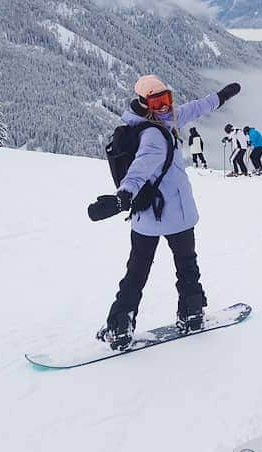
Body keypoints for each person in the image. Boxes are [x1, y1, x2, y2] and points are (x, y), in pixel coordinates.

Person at [96, 75, 241, 350]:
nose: (164, 106)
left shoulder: (164, 120)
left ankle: (120, 325)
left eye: (167, 99)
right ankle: (192, 312)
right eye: (157, 101)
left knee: (137, 271)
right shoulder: (153, 134)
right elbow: (139, 169)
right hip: (177, 215)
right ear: (143, 102)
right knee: (186, 265)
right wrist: (122, 196)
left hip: (148, 219)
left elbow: (197, 107)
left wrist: (221, 97)